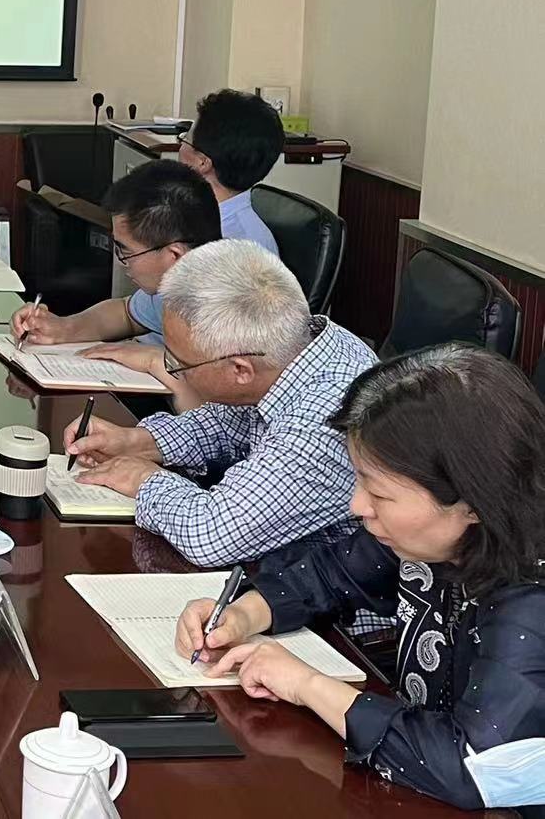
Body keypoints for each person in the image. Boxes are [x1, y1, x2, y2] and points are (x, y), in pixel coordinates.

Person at [176, 345, 545, 812]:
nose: (358, 506)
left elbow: (469, 767)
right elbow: (331, 574)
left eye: (379, 493)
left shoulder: (532, 599)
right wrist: (244, 613)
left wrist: (307, 685)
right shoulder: (434, 535)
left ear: (472, 502)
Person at [65, 239, 376, 567]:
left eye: (179, 364)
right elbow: (230, 423)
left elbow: (211, 535)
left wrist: (144, 479)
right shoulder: (300, 344)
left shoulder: (323, 422)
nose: (172, 369)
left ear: (240, 370)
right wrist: (139, 441)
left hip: (317, 593)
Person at [11, 159, 220, 348]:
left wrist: (150, 360)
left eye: (126, 251)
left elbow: (214, 374)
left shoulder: (227, 306)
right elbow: (125, 314)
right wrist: (63, 328)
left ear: (175, 255)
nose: (121, 262)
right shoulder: (175, 283)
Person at [176, 88, 285, 255]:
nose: (181, 146)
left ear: (203, 162)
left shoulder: (239, 250)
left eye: (185, 139)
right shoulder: (198, 216)